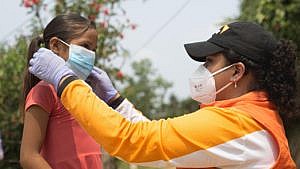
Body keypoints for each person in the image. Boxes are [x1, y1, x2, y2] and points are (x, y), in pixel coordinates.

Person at [29, 22, 297, 168]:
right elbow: (161, 149)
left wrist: (66, 81)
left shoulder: (238, 125)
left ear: (237, 72)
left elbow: (135, 142)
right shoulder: (249, 118)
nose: (202, 69)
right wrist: (116, 102)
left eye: (210, 62)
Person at [20, 14, 104, 169]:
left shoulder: (86, 92)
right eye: (85, 46)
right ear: (56, 46)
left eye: (93, 50)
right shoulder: (44, 92)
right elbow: (28, 156)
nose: (91, 55)